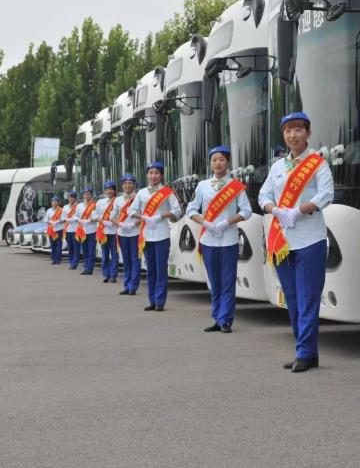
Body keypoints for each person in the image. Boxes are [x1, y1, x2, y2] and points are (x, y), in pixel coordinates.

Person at [258, 112, 334, 373]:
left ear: (308, 133)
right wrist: (275, 210)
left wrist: (298, 211)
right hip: (282, 241)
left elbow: (327, 194)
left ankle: (304, 352)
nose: (293, 135)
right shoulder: (277, 167)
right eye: (288, 131)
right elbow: (263, 195)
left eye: (298, 130)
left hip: (310, 239)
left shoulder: (318, 164)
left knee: (307, 298)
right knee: (291, 298)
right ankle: (307, 351)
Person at [186, 145, 252, 333]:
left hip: (229, 239)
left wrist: (227, 222)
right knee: (214, 282)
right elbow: (191, 209)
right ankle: (217, 317)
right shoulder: (202, 185)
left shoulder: (236, 186)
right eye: (214, 160)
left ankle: (226, 320)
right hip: (208, 240)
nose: (218, 163)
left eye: (221, 159)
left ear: (227, 162)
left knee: (228, 281)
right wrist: (205, 223)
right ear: (210, 163)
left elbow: (246, 211)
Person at [129, 162, 182, 312]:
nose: (153, 176)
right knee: (150, 270)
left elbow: (177, 210)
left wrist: (160, 216)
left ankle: (160, 301)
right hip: (146, 235)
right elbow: (131, 211)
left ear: (161, 175)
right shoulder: (141, 193)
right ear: (147, 175)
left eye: (157, 173)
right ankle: (152, 300)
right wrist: (143, 217)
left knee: (161, 270)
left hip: (162, 234)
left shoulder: (167, 192)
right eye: (151, 172)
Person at [111, 174, 141, 296]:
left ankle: (133, 286)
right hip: (122, 233)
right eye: (125, 184)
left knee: (135, 259)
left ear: (134, 185)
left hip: (135, 232)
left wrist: (133, 224)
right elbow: (112, 216)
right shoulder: (118, 200)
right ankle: (127, 285)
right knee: (126, 260)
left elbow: (143, 214)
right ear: (122, 186)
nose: (128, 186)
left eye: (130, 183)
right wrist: (121, 224)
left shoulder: (139, 197)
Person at [95, 181, 119, 283]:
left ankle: (113, 275)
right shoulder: (100, 202)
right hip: (103, 231)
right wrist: (102, 221)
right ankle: (106, 274)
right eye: (107, 189)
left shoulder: (118, 201)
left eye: (111, 189)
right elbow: (95, 215)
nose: (109, 191)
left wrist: (113, 222)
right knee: (105, 255)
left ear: (114, 191)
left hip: (114, 231)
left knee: (114, 254)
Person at [75, 187, 98, 276]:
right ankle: (86, 267)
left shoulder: (94, 205)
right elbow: (75, 216)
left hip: (92, 230)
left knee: (91, 251)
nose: (87, 196)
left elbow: (97, 217)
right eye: (85, 194)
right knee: (84, 251)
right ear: (83, 195)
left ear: (91, 195)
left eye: (88, 194)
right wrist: (79, 220)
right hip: (82, 230)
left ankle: (90, 269)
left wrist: (90, 220)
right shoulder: (79, 206)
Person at [61, 190, 80, 270]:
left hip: (76, 230)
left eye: (72, 197)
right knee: (70, 247)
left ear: (75, 198)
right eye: (69, 197)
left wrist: (69, 219)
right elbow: (62, 217)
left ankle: (74, 263)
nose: (71, 199)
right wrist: (68, 219)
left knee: (76, 248)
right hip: (67, 230)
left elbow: (78, 218)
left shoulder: (78, 206)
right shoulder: (65, 207)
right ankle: (71, 262)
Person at [45, 195, 64, 265]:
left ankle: (58, 259)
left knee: (59, 245)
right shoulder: (49, 210)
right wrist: (49, 222)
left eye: (56, 201)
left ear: (58, 203)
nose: (54, 203)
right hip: (51, 230)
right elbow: (46, 219)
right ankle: (54, 259)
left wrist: (58, 222)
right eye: (53, 202)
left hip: (59, 229)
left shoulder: (61, 210)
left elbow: (63, 219)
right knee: (52, 245)